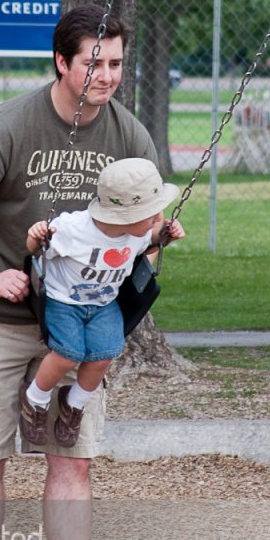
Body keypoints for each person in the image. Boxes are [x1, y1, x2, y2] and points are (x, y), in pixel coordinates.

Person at [0, 4, 160, 540]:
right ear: (62, 62)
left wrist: (156, 236)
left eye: (116, 62)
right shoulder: (9, 128)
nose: (108, 75)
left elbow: (143, 218)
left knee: (73, 462)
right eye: (95, 62)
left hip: (80, 317)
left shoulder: (127, 136)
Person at [21, 158, 185, 450]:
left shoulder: (139, 232)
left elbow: (150, 242)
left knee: (104, 355)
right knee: (68, 354)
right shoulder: (72, 229)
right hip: (63, 300)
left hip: (104, 303)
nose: (158, 217)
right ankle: (35, 399)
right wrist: (35, 237)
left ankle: (74, 404)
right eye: (151, 214)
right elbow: (36, 252)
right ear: (123, 215)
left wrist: (166, 235)